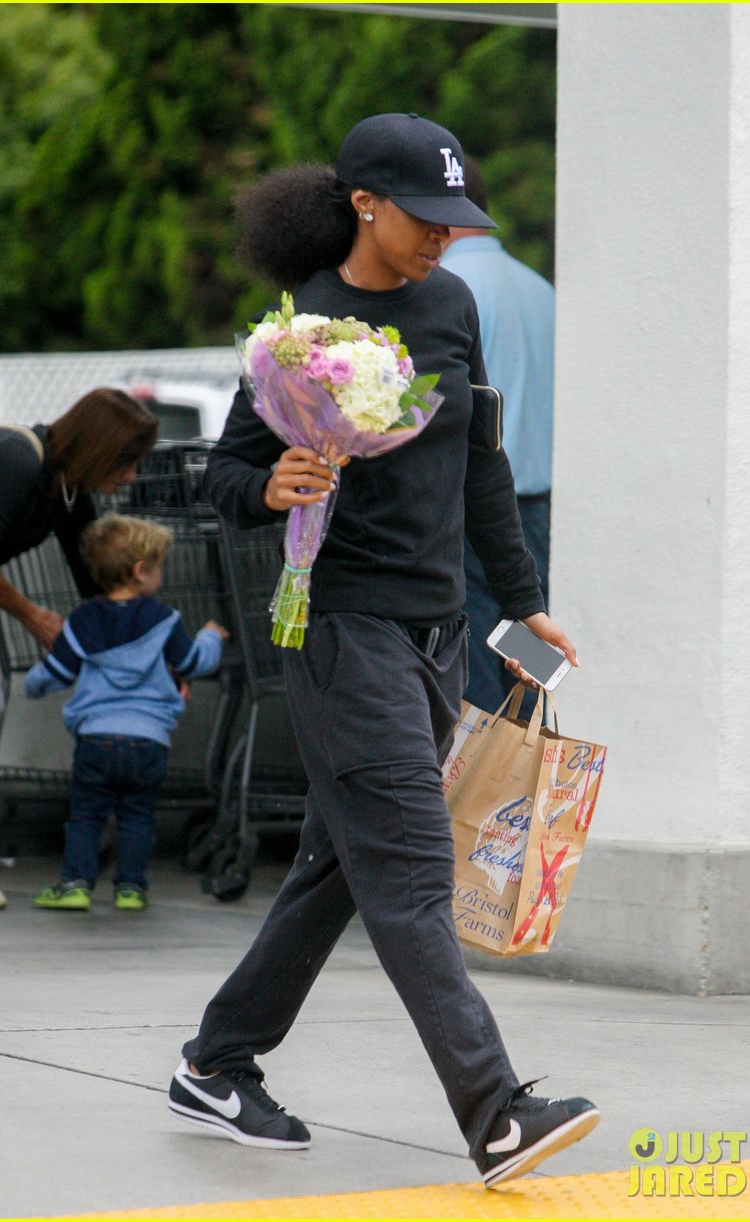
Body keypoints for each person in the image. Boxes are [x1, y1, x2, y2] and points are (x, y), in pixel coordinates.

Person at [169, 113, 598, 1188]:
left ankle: (215, 1064)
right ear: (364, 201)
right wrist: (270, 486)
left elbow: (481, 466)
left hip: (434, 627)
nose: (445, 240)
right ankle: (496, 1112)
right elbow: (222, 473)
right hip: (337, 627)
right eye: (427, 218)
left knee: (338, 866)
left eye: (459, 221)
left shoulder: (450, 305)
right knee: (408, 867)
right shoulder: (305, 324)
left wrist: (525, 600)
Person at [23, 514, 228, 911]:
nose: (161, 576)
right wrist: (211, 636)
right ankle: (131, 888)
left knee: (85, 814)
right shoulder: (164, 620)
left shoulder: (83, 619)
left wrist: (32, 685)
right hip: (149, 741)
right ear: (140, 572)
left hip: (96, 740)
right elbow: (194, 663)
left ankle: (77, 884)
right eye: (159, 567)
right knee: (137, 815)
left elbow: (56, 672)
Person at [441, 155, 556, 715]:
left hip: (474, 505)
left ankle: (476, 795)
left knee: (475, 664)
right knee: (526, 665)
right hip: (537, 506)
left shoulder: (446, 289)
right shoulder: (541, 288)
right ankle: (523, 787)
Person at [0, 388, 159, 652]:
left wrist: (151, 655)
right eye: (127, 461)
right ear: (98, 451)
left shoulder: (71, 492)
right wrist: (34, 617)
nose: (131, 476)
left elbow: (95, 586)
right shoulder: (17, 461)